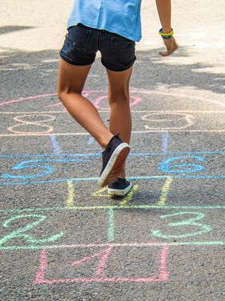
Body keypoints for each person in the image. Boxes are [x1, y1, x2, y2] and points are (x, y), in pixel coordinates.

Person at [57, 0, 178, 197]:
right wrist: (167, 34)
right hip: (121, 29)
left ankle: (108, 142)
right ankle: (117, 179)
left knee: (68, 90)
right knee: (119, 97)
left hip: (83, 23)